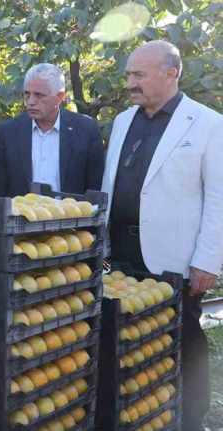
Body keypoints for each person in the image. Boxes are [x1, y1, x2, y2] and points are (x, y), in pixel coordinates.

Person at [102, 40, 223, 431]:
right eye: (129, 74)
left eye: (139, 74)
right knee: (131, 336)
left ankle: (192, 419)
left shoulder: (207, 123)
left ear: (170, 74)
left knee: (184, 340)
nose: (130, 82)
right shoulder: (123, 121)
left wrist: (208, 259)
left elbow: (219, 197)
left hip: (175, 257)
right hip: (121, 251)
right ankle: (143, 412)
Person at [0, 63, 104, 197]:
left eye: (39, 95)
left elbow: (95, 187)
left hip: (71, 216)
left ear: (59, 97)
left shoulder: (86, 130)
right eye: (27, 94)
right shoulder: (8, 131)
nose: (31, 101)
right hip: (19, 216)